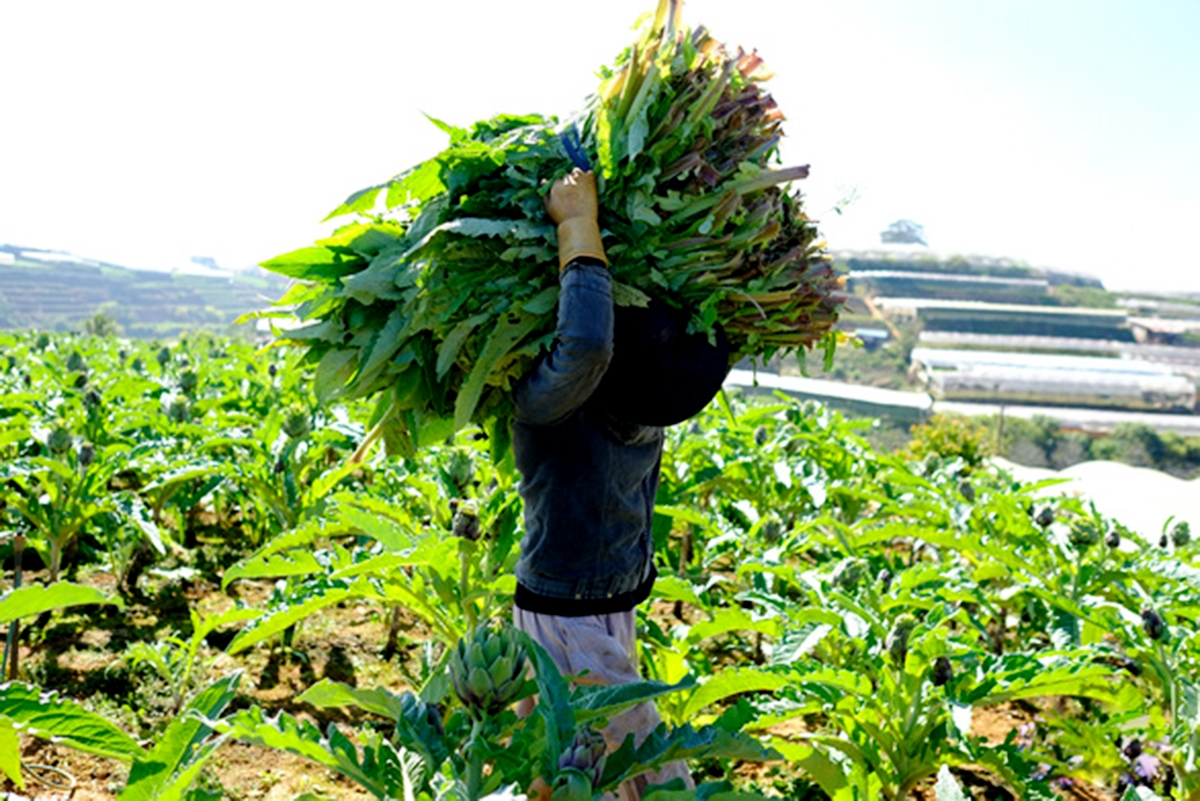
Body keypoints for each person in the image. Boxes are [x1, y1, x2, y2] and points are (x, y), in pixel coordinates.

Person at [510, 168, 729, 801]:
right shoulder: (555, 397)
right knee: (643, 775)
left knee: (582, 777)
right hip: (563, 615)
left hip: (613, 603)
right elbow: (584, 343)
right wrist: (578, 223)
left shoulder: (649, 392)